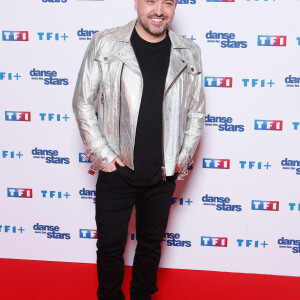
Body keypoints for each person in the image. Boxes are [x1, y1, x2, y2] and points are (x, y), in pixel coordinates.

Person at [72, 0, 205, 299]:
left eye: (167, 2)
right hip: (117, 170)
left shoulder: (188, 51)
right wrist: (103, 156)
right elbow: (82, 101)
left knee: (150, 245)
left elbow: (196, 112)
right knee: (109, 247)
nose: (159, 10)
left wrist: (180, 160)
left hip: (161, 174)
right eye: (151, 1)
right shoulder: (105, 43)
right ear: (136, 3)